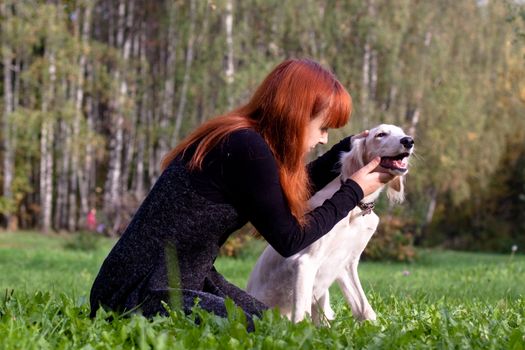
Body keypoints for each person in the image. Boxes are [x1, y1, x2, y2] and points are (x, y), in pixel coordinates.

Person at [89, 58, 394, 330]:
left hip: (180, 278)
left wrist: (349, 149)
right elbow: (290, 239)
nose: (324, 138)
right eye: (323, 126)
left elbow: (280, 193)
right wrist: (354, 190)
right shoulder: (248, 149)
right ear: (296, 115)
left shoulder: (243, 140)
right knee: (265, 329)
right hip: (142, 293)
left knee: (270, 323)